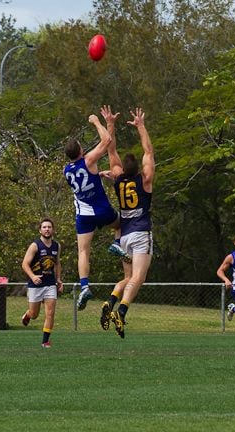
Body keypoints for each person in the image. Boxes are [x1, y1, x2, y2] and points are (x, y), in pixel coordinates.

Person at [63, 106, 129, 312]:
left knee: (83, 251)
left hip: (83, 215)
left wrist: (98, 175)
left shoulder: (66, 170)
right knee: (121, 223)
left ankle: (84, 286)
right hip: (100, 209)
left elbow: (83, 180)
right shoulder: (89, 160)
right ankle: (117, 243)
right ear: (81, 150)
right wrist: (97, 122)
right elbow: (107, 141)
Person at [99, 107, 155, 339]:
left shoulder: (118, 178)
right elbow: (149, 152)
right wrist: (141, 125)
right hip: (141, 233)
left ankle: (110, 302)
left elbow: (111, 148)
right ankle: (121, 311)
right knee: (137, 279)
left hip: (123, 237)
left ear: (123, 169)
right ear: (139, 170)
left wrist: (110, 123)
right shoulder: (145, 181)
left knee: (127, 277)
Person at [21, 217, 64, 348]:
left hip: (50, 284)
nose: (47, 229)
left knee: (50, 313)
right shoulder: (35, 245)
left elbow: (57, 263)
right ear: (40, 230)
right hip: (36, 284)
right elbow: (24, 264)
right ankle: (28, 314)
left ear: (53, 230)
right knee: (34, 315)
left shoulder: (57, 246)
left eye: (49, 227)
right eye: (44, 227)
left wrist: (58, 279)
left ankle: (45, 341)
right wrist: (33, 276)